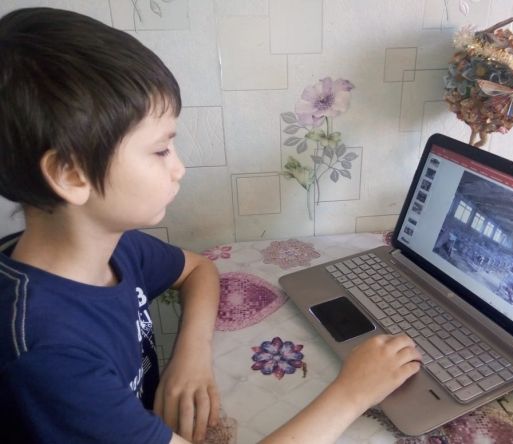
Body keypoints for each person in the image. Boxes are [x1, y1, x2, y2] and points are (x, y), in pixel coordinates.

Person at [0, 7, 421, 444]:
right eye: (160, 150)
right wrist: (353, 393)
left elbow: (198, 268)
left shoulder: (111, 247)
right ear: (71, 175)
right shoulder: (49, 354)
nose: (179, 168)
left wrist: (191, 356)